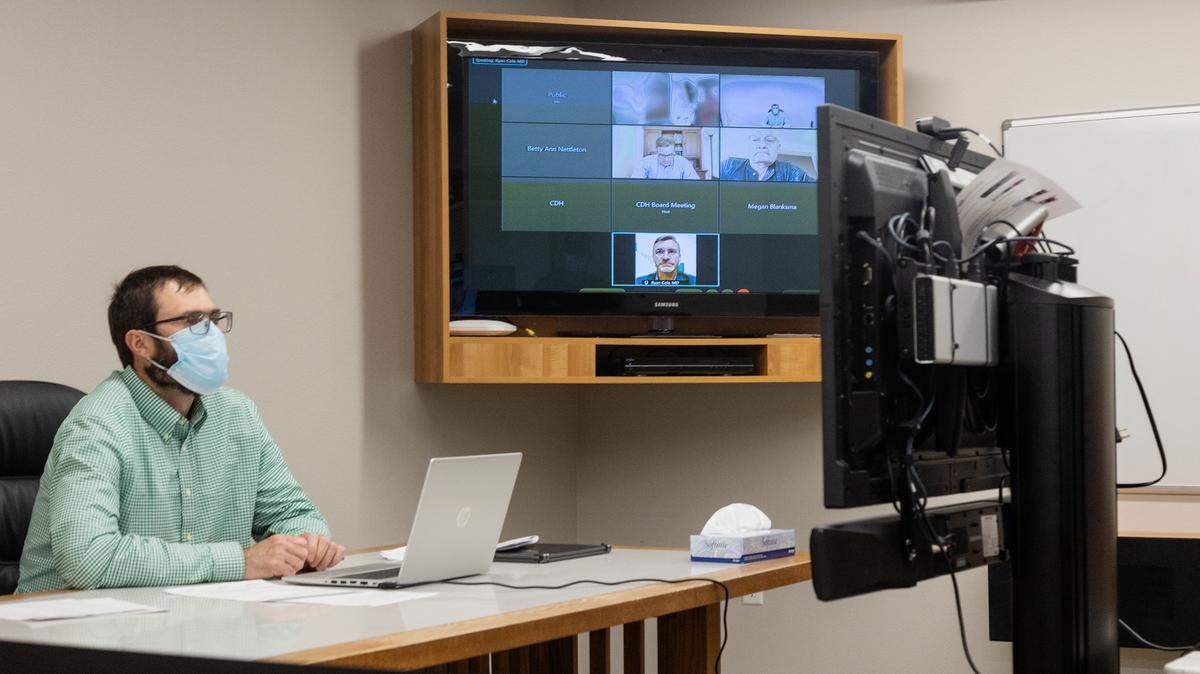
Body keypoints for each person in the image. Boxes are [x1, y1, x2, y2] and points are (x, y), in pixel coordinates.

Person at [16, 266, 345, 592]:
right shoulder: (97, 424)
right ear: (140, 343)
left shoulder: (237, 414)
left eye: (213, 319)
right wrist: (242, 562)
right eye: (191, 322)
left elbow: (294, 514)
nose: (211, 335)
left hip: (192, 612)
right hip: (68, 620)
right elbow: (88, 559)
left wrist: (308, 544)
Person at [719, 131, 815, 182]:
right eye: (755, 139)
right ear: (747, 145)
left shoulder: (791, 171)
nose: (762, 145)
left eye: (770, 140)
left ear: (778, 147)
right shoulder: (729, 166)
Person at [632, 135, 700, 180]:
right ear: (656, 151)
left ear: (674, 152)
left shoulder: (684, 162)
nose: (666, 159)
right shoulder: (645, 161)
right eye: (662, 155)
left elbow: (694, 184)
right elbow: (635, 183)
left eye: (670, 155)